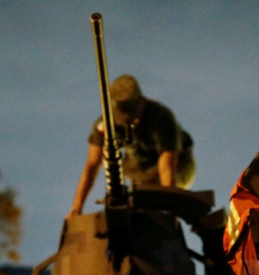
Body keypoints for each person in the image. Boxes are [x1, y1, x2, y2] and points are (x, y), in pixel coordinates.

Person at [67, 74, 196, 218]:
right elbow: (92, 165)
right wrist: (76, 208)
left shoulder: (161, 117)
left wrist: (170, 209)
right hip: (138, 168)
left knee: (151, 200)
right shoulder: (106, 124)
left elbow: (167, 164)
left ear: (143, 102)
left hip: (179, 166)